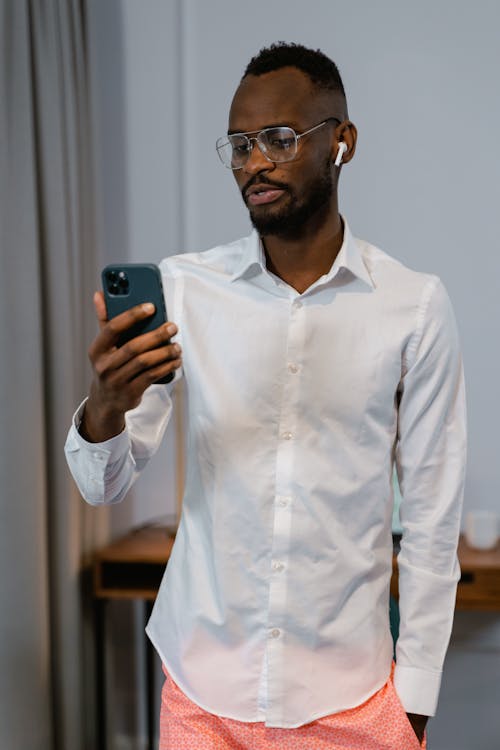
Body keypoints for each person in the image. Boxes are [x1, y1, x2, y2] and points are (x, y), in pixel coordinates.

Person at [65, 42, 466, 749]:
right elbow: (106, 484)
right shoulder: (187, 288)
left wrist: (416, 702)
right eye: (241, 144)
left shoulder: (414, 305)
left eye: (279, 139)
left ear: (341, 143)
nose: (255, 163)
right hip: (201, 692)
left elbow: (433, 519)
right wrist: (105, 406)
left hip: (352, 698)